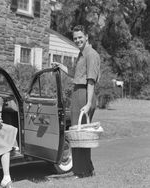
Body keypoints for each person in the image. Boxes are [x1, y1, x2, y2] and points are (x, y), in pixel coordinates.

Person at [55, 25, 100, 178]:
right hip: (78, 93)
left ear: (86, 36)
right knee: (78, 134)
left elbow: (91, 81)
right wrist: (62, 67)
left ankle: (82, 172)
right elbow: (76, 74)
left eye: (80, 37)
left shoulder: (91, 54)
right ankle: (87, 169)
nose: (77, 40)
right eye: (75, 38)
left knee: (81, 134)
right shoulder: (81, 54)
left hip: (84, 94)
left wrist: (88, 103)